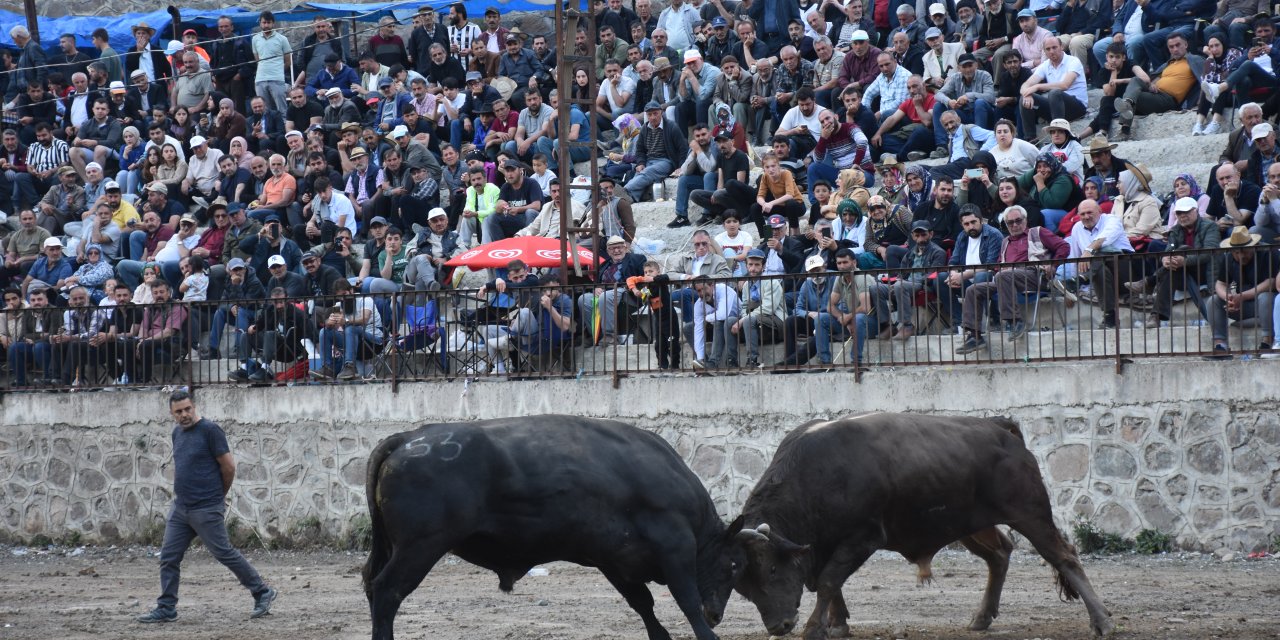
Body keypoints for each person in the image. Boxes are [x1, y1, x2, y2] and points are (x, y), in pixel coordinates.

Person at [136, 390, 276, 623]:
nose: (184, 415)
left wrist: (217, 496)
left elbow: (229, 467)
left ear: (194, 407)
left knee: (223, 552)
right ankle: (166, 607)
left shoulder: (210, 431)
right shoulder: (176, 434)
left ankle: (262, 591)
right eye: (179, 411)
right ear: (172, 414)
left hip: (206, 507)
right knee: (169, 557)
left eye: (187, 409)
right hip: (181, 508)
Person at [955, 204, 1070, 353]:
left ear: (1025, 220)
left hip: (1035, 275)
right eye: (1010, 222)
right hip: (1007, 280)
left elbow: (1064, 246)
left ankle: (1014, 321)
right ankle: (974, 336)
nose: (1015, 225)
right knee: (973, 289)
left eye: (1018, 220)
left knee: (1004, 275)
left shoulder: (1038, 232)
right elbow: (998, 266)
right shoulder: (1005, 242)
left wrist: (1052, 264)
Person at [1206, 226, 1277, 358]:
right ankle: (1220, 346)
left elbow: (1272, 282)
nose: (1241, 256)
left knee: (1265, 297)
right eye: (1236, 252)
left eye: (1244, 251)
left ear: (1253, 246)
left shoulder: (1267, 252)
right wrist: (1228, 298)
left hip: (1266, 305)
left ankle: (1267, 342)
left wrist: (1243, 296)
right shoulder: (1228, 258)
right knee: (1214, 301)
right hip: (1242, 304)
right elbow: (1220, 283)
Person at [1115, 33, 1202, 140]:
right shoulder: (1168, 64)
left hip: (1167, 100)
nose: (1175, 49)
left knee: (1134, 97)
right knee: (1135, 80)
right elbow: (1151, 79)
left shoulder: (1195, 60)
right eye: (1171, 47)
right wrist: (1151, 84)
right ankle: (1127, 104)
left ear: (1186, 44)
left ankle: (1125, 127)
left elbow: (1205, 79)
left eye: (1178, 45)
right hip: (1154, 94)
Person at [1066, 199, 1135, 329]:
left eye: (1089, 212)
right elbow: (1075, 258)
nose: (1086, 217)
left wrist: (1089, 249)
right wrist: (1072, 291)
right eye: (1082, 214)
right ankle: (1110, 316)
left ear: (1100, 211)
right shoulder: (1077, 228)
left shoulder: (1112, 220)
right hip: (1101, 276)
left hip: (1125, 273)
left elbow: (1107, 237)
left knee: (1100, 253)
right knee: (1099, 269)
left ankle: (1079, 280)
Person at [1018, 36, 1088, 142]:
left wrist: (1037, 86)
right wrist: (1027, 94)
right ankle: (1031, 139)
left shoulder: (1073, 61)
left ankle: (1059, 135)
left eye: (1054, 47)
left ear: (1062, 47)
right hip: (1056, 108)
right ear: (1044, 51)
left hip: (1077, 106)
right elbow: (1025, 85)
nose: (1051, 51)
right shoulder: (1045, 65)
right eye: (1048, 49)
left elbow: (1065, 85)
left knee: (1055, 93)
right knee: (1024, 99)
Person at [623, 101, 688, 204]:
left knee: (646, 173)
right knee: (639, 172)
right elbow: (640, 150)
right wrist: (640, 163)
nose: (653, 117)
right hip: (649, 160)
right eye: (649, 114)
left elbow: (683, 148)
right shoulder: (644, 128)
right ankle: (631, 198)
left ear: (661, 112)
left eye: (655, 113)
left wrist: (681, 166)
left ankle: (624, 190)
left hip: (666, 161)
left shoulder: (671, 127)